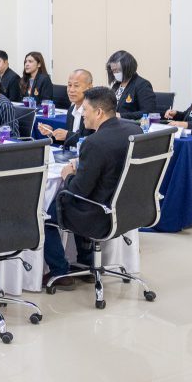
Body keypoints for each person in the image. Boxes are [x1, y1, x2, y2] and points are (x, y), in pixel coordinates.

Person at [43, 87, 142, 288]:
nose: (82, 114)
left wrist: (68, 175)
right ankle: (87, 264)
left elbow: (78, 190)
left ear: (98, 113)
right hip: (128, 207)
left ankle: (60, 272)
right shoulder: (134, 130)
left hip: (99, 212)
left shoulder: (94, 142)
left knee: (45, 215)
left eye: (85, 110)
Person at [38, 69, 94, 150]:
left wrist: (67, 135)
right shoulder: (71, 109)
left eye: (76, 86)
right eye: (69, 85)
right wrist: (51, 133)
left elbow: (91, 142)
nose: (71, 90)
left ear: (89, 88)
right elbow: (69, 141)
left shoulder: (93, 112)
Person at [106, 50, 157, 121]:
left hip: (131, 125)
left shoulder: (142, 85)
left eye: (118, 70)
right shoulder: (116, 85)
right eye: (113, 71)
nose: (115, 73)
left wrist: (121, 115)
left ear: (127, 68)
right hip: (114, 123)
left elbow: (148, 112)